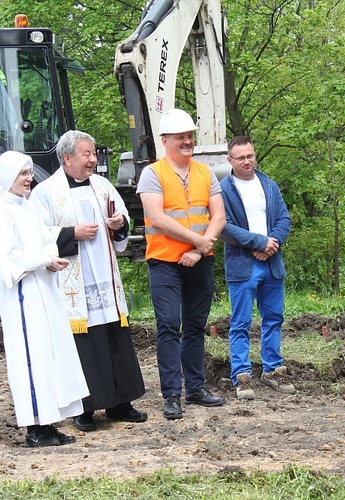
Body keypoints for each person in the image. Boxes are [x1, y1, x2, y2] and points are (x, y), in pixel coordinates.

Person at [0, 151, 89, 447]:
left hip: (44, 289)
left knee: (49, 354)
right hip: (23, 293)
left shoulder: (26, 206)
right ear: (8, 177)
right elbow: (7, 257)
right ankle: (34, 428)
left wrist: (51, 257)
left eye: (29, 173)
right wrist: (43, 259)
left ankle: (48, 423)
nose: (29, 178)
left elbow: (45, 237)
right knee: (31, 356)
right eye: (23, 174)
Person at [31, 130, 147, 432]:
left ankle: (121, 402)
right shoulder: (45, 192)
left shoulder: (102, 185)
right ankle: (84, 409)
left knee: (114, 337)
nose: (93, 159)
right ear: (67, 158)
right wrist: (72, 234)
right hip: (75, 282)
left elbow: (121, 217)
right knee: (84, 344)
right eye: (87, 154)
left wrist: (119, 224)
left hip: (105, 275)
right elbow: (38, 236)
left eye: (94, 153)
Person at [137, 108, 226, 419]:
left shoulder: (205, 173)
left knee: (194, 327)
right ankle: (171, 394)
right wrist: (197, 241)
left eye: (190, 136)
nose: (187, 142)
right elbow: (158, 218)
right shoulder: (152, 173)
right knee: (167, 326)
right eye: (181, 137)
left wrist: (200, 250)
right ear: (165, 141)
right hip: (165, 262)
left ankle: (196, 388)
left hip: (200, 261)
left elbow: (219, 217)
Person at [220, 136, 295, 400]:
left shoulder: (269, 185)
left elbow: (285, 218)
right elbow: (223, 226)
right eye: (240, 157)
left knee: (274, 319)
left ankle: (273, 370)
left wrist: (272, 244)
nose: (247, 161)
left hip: (272, 263)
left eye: (250, 155)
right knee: (241, 322)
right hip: (242, 264)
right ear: (230, 160)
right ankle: (241, 376)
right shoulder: (222, 190)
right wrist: (259, 242)